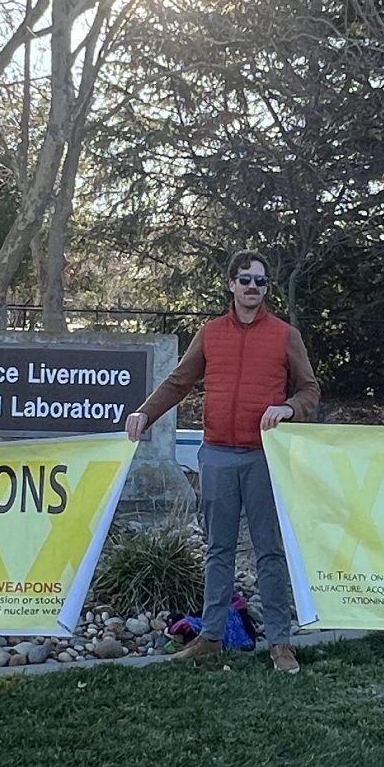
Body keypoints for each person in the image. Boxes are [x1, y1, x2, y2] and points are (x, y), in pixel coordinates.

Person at [124, 250, 321, 674]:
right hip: (216, 455)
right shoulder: (210, 334)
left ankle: (280, 643)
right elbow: (179, 382)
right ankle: (211, 636)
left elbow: (310, 390)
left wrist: (289, 407)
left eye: (260, 281)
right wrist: (145, 413)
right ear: (231, 284)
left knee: (270, 552)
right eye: (245, 279)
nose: (253, 287)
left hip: (265, 457)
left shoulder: (285, 335)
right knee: (218, 550)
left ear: (266, 288)